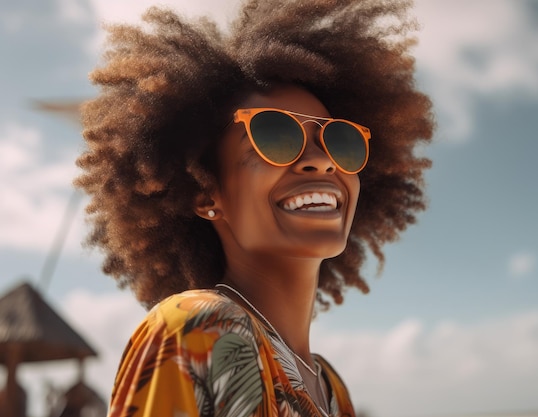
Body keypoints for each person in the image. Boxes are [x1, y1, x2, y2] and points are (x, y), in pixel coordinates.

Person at [75, 0, 434, 416]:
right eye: (275, 135)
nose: (322, 160)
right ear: (206, 194)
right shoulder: (194, 327)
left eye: (341, 140)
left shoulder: (330, 387)